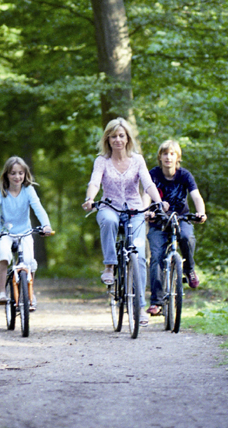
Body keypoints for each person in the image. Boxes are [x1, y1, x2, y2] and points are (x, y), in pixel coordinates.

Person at [81, 117, 167, 327]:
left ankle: (140, 306)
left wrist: (159, 202)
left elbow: (147, 183)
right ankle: (109, 266)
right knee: (109, 221)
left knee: (138, 256)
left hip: (135, 210)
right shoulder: (102, 160)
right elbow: (94, 182)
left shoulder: (137, 159)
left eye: (121, 135)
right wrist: (90, 199)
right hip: (109, 206)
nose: (118, 140)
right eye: (113, 136)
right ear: (107, 139)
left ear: (128, 138)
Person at [143, 140, 207, 317]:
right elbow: (147, 195)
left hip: (181, 218)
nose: (168, 157)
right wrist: (147, 211)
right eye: (165, 154)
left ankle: (189, 269)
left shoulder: (185, 175)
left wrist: (201, 213)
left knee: (187, 237)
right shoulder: (153, 174)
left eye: (172, 154)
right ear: (160, 157)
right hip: (158, 221)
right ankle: (156, 302)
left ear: (177, 157)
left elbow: (196, 196)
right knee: (156, 257)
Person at [0, 156, 53, 310]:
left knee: (29, 260)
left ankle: (30, 293)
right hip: (4, 232)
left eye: (20, 173)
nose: (17, 177)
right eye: (13, 173)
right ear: (6, 175)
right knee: (3, 254)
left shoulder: (28, 190)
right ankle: (2, 291)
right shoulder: (0, 192)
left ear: (25, 174)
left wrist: (46, 226)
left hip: (24, 232)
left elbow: (39, 208)